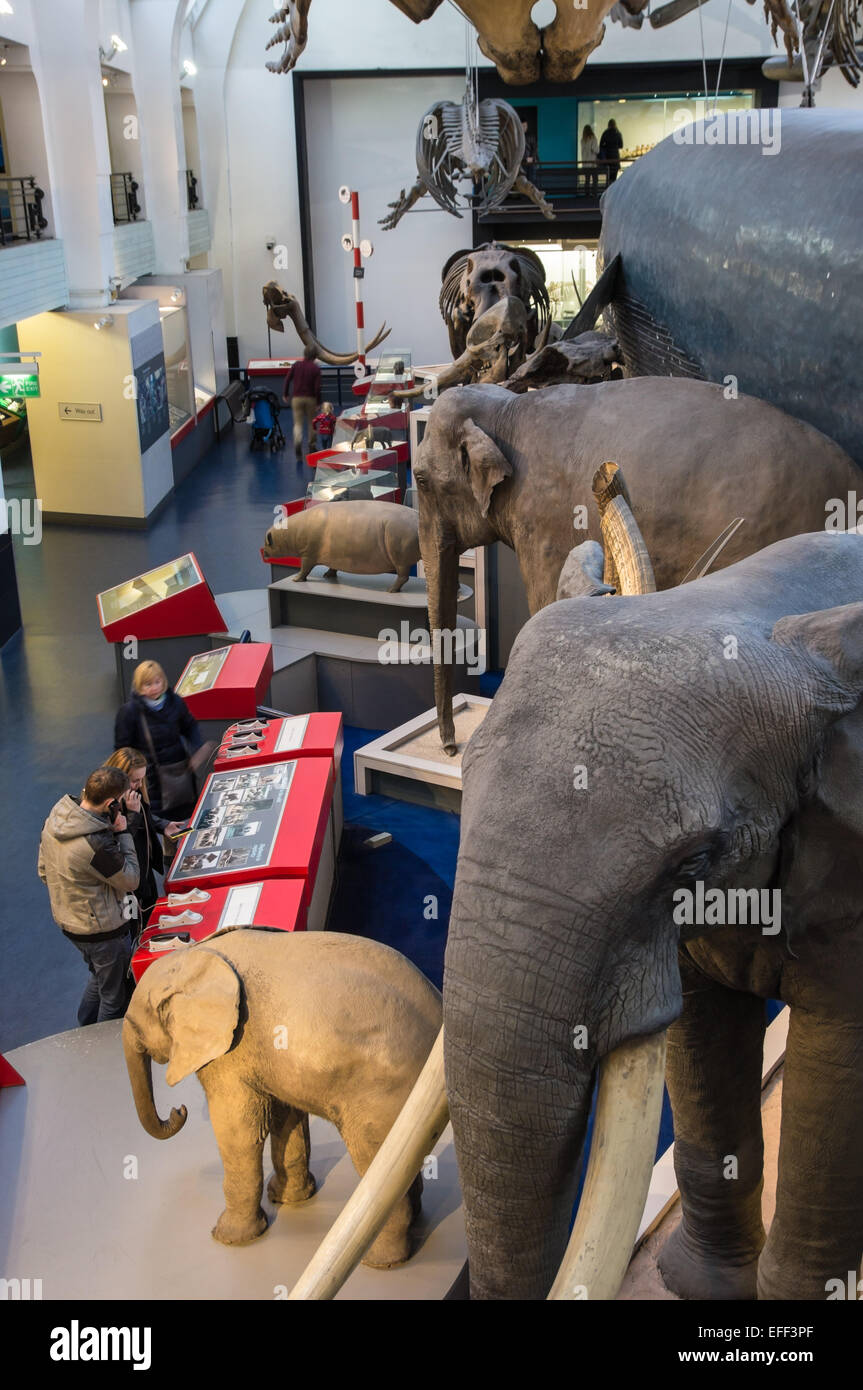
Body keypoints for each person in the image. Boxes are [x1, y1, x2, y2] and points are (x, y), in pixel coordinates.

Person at [38, 766, 140, 1026]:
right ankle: (101, 1049)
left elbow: (43, 871)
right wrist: (123, 833)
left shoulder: (55, 820)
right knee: (113, 997)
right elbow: (130, 879)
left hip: (71, 923)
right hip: (103, 930)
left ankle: (83, 1028)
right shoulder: (96, 845)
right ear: (111, 803)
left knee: (99, 975)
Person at [114, 660, 203, 824]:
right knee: (155, 822)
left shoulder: (175, 702)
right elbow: (122, 751)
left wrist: (196, 750)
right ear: (139, 685)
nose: (154, 687)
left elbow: (190, 726)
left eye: (157, 681)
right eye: (148, 684)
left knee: (183, 820)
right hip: (149, 779)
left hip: (179, 773)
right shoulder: (129, 712)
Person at [104, 748, 183, 926]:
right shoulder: (108, 806)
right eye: (134, 781)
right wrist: (132, 815)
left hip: (144, 871)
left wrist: (162, 825)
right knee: (134, 925)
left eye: (141, 779)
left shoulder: (134, 795)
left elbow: (146, 816)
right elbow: (117, 843)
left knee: (151, 917)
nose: (139, 785)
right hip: (128, 883)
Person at [283, 344, 322, 460]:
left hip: (296, 399)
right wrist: (318, 402)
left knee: (298, 424)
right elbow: (317, 387)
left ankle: (297, 443)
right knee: (312, 423)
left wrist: (285, 394)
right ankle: (312, 446)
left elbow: (287, 379)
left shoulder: (296, 365)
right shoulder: (316, 368)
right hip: (311, 399)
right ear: (315, 356)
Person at [599, 118, 624, 184]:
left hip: (608, 158)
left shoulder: (605, 133)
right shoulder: (618, 133)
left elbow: (601, 145)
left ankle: (608, 190)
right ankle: (613, 190)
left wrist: (606, 146)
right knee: (614, 177)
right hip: (615, 158)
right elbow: (621, 145)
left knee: (608, 176)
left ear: (608, 125)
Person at [581, 124, 599, 195]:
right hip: (592, 163)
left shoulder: (582, 140)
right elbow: (596, 150)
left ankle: (587, 194)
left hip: (585, 163)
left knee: (587, 180)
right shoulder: (593, 138)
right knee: (595, 179)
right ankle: (594, 194)